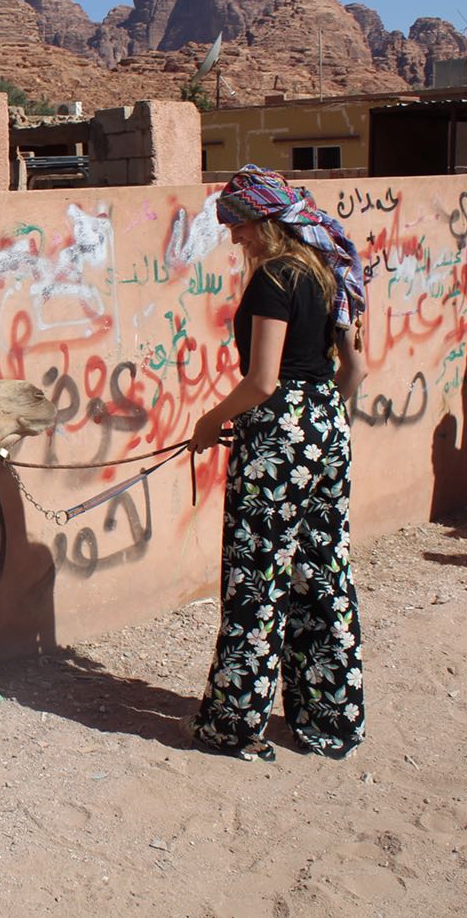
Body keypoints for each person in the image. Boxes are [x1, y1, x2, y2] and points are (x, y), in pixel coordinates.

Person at [185, 164, 368, 762]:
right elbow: (356, 372)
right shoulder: (328, 272)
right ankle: (330, 720)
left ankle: (235, 726)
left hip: (277, 441)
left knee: (257, 578)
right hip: (327, 431)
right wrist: (320, 422)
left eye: (238, 227)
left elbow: (262, 380)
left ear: (262, 222)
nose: (234, 239)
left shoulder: (273, 281)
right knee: (323, 575)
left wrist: (211, 422)